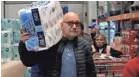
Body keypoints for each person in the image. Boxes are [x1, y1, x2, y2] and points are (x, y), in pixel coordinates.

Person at [19, 12, 96, 77]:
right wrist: (23, 44)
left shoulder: (85, 46)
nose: (75, 26)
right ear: (62, 25)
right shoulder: (50, 44)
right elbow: (28, 61)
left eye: (77, 23)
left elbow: (91, 72)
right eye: (70, 23)